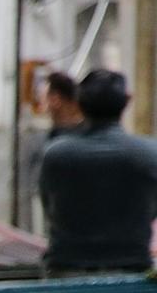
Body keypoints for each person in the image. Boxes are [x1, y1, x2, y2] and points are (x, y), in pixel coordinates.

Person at [39, 69, 157, 273]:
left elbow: (50, 208)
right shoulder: (150, 154)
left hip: (67, 272)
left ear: (78, 103)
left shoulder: (56, 154)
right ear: (127, 101)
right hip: (132, 271)